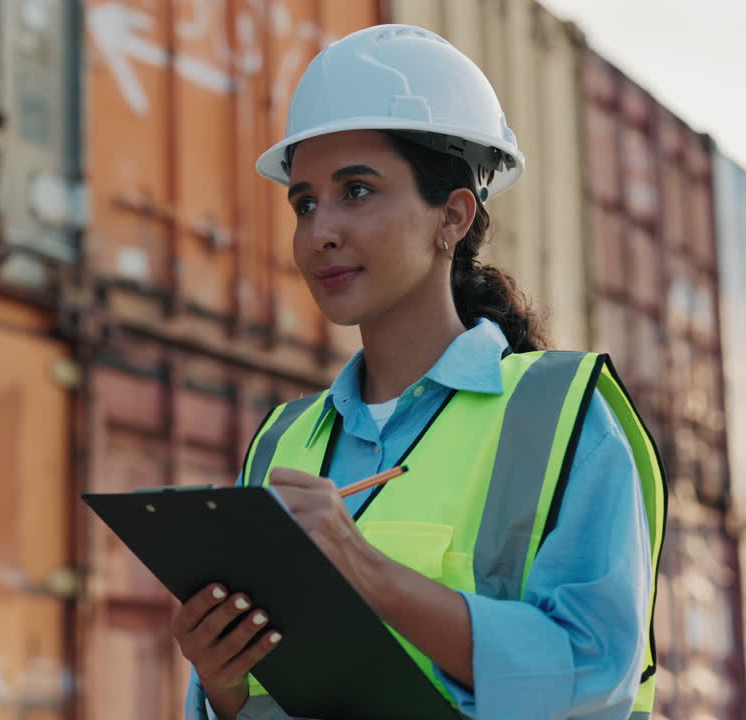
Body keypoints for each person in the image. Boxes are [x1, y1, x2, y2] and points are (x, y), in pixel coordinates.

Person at [174, 24, 666, 720]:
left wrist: (365, 569)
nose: (322, 232)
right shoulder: (284, 440)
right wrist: (221, 682)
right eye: (305, 202)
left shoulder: (563, 416)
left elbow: (592, 673)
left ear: (453, 217)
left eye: (358, 191)